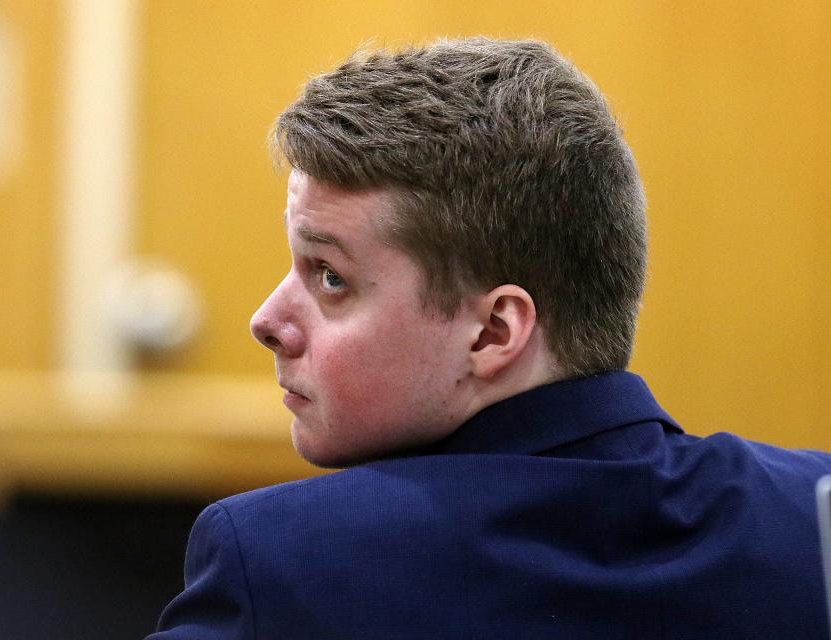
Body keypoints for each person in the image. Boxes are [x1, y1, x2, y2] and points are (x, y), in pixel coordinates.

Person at [148, 38, 831, 639]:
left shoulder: (282, 564)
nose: (267, 320)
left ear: (494, 331)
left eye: (330, 277)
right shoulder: (813, 522)